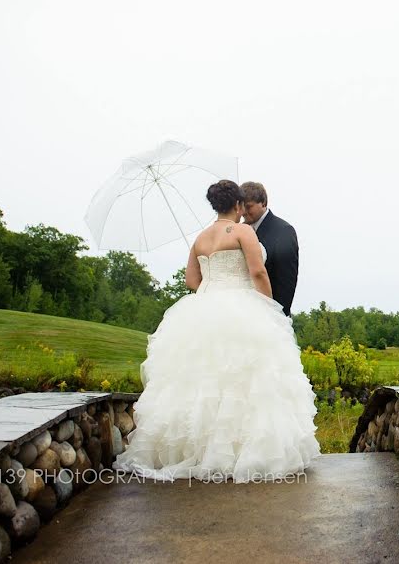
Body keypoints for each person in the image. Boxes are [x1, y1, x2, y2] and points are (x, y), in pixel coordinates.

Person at [114, 180, 320, 483]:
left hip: (203, 308)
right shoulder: (243, 231)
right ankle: (239, 452)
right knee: (245, 382)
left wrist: (214, 289)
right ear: (238, 205)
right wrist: (266, 307)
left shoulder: (200, 238)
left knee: (202, 380)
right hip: (242, 308)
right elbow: (258, 272)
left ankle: (194, 451)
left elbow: (191, 280)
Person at [240, 181, 299, 317]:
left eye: (248, 207)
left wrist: (279, 316)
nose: (244, 212)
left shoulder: (283, 230)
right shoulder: (240, 231)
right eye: (241, 207)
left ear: (263, 203)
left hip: (270, 312)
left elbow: (286, 280)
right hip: (244, 311)